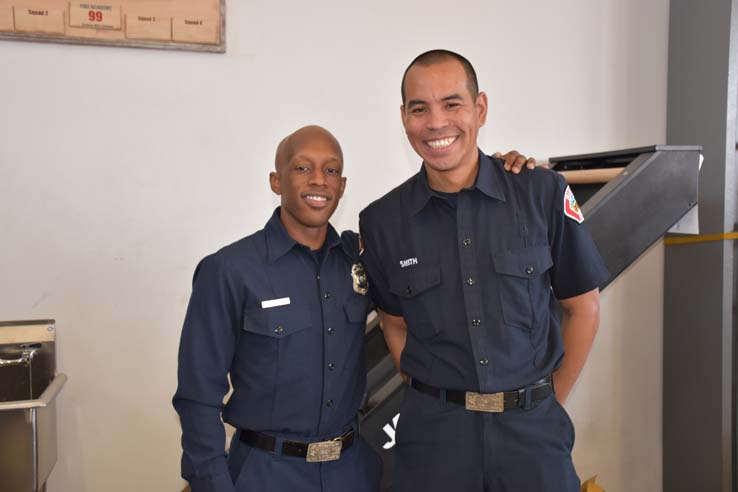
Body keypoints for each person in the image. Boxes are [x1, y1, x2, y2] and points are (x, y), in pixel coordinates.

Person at [172, 125, 534, 492]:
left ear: (342, 187)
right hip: (265, 473)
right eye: (301, 168)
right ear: (275, 181)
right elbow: (197, 396)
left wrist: (489, 171)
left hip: (352, 473)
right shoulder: (229, 271)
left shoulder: (359, 258)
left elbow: (444, 265)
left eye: (331, 170)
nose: (318, 180)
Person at [359, 50, 608, 492]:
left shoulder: (540, 193)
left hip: (532, 438)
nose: (437, 123)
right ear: (403, 118)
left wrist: (547, 402)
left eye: (452, 104)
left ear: (481, 108)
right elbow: (394, 325)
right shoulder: (382, 222)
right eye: (420, 109)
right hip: (434, 442)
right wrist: (440, 396)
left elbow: (583, 308)